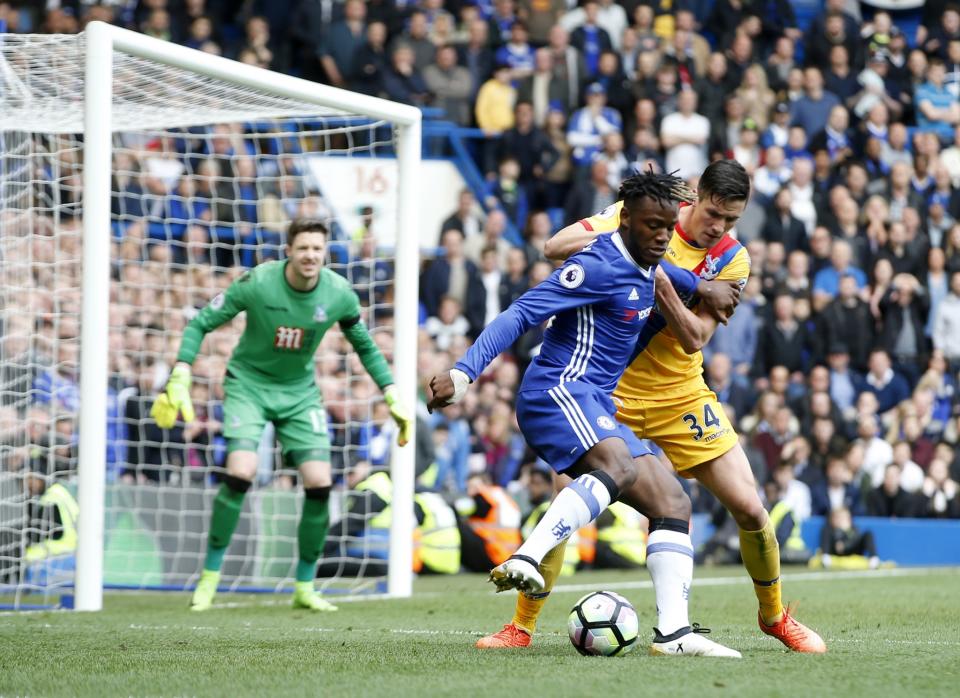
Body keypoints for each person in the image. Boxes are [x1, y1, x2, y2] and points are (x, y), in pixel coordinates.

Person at [478, 160, 826, 654]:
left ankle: (773, 617)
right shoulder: (643, 217)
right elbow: (554, 247)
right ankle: (522, 625)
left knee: (750, 507)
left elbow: (694, 337)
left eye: (731, 220)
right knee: (571, 491)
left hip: (680, 393)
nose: (718, 227)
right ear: (695, 196)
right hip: (609, 389)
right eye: (712, 213)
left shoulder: (732, 259)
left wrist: (658, 277)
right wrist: (656, 267)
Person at [428, 171, 743, 658]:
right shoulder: (596, 265)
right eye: (649, 226)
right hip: (556, 391)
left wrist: (707, 289)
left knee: (674, 505)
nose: (661, 236)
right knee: (616, 467)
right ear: (624, 222)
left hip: (595, 401)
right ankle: (527, 556)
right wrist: (463, 374)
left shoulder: (651, 264)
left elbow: (671, 276)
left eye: (666, 226)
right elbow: (521, 313)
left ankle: (675, 635)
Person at [151, 218, 412, 612]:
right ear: (289, 250)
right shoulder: (258, 282)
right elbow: (201, 323)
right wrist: (182, 371)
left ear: (325, 254)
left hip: (299, 394)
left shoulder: (339, 294)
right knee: (240, 471)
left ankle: (305, 585)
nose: (310, 255)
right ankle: (209, 576)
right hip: (248, 385)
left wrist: (391, 393)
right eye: (303, 248)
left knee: (320, 482)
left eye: (317, 249)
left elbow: (366, 347)